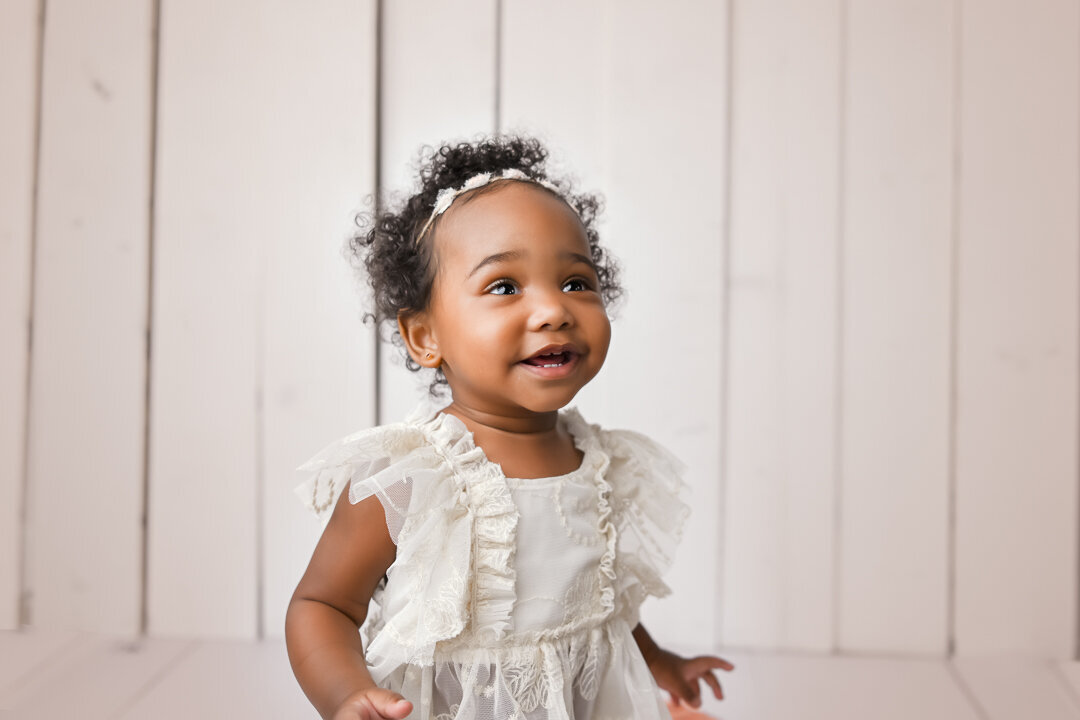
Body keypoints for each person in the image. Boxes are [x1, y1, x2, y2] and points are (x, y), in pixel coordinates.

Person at [286, 136, 734, 720]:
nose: (554, 309)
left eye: (576, 282)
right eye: (504, 287)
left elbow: (600, 607)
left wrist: (658, 661)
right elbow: (322, 605)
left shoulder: (601, 464)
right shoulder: (413, 477)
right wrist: (345, 693)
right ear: (425, 336)